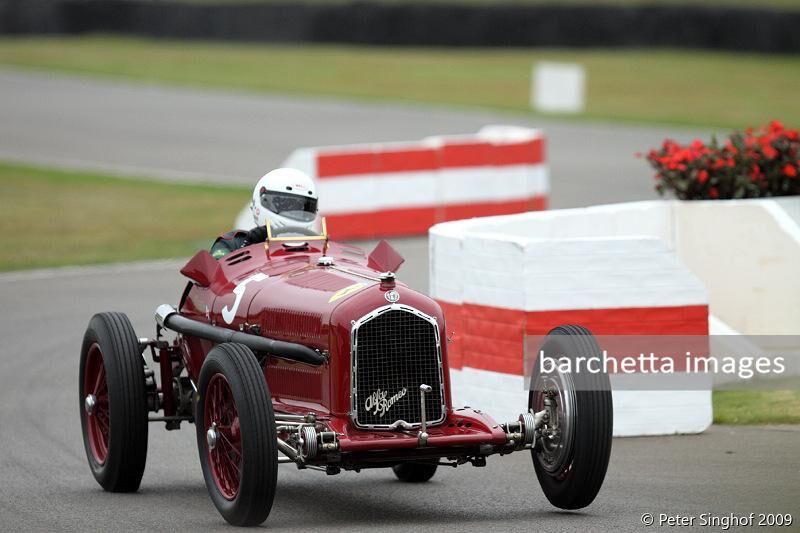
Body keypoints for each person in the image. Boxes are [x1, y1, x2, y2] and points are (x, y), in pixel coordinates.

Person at [210, 168, 319, 259]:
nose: (295, 213)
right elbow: (217, 276)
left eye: (303, 208)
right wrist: (247, 247)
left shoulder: (320, 249)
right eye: (285, 205)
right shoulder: (233, 243)